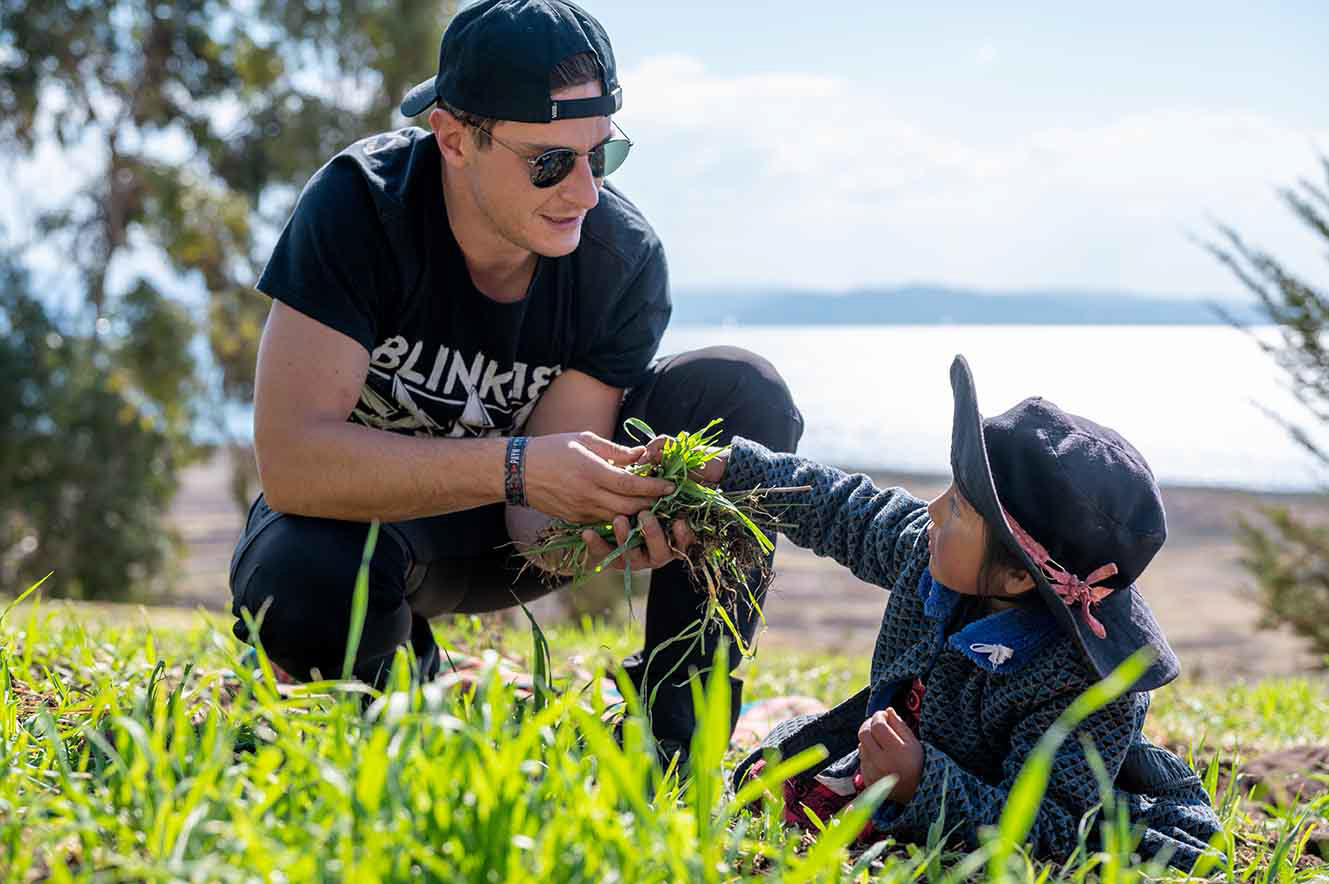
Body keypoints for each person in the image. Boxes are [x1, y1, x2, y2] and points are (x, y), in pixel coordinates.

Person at [227, 0, 803, 757]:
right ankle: (405, 694)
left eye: (601, 154)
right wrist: (518, 466)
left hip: (509, 535)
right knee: (301, 577)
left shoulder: (620, 259)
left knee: (741, 392)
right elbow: (294, 466)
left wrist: (616, 525)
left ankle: (673, 736)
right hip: (363, 524)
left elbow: (539, 537)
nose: (585, 192)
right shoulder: (359, 209)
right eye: (549, 162)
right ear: (453, 138)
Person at [662, 355, 1219, 869]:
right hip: (907, 758)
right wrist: (736, 472)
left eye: (956, 508)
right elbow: (842, 509)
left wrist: (922, 781)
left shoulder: (1086, 689)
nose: (932, 509)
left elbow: (1047, 826)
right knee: (773, 776)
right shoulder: (930, 553)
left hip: (985, 798)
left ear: (1019, 575)